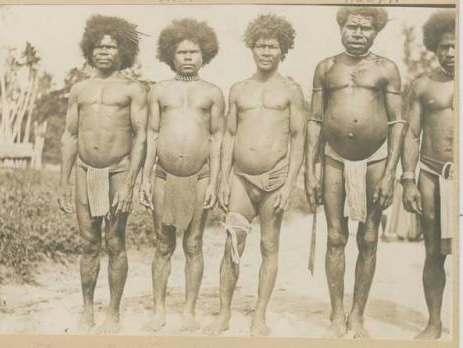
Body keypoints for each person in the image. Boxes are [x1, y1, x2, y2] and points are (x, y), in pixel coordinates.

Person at [305, 7, 404, 338]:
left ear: (376, 32)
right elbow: (315, 121)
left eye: (365, 28)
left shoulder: (386, 69)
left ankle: (358, 315)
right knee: (335, 237)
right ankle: (336, 313)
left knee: (370, 237)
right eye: (352, 27)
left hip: (376, 158)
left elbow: (397, 123)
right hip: (334, 157)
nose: (358, 33)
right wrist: (310, 170)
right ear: (341, 28)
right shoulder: (326, 68)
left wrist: (391, 173)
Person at [204, 14, 306, 336]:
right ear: (252, 48)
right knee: (232, 243)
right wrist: (221, 180)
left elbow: (298, 138)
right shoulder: (239, 90)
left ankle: (259, 315)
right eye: (260, 46)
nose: (266, 52)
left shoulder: (291, 91)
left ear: (283, 49)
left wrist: (290, 183)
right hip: (241, 178)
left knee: (269, 245)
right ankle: (223, 314)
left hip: (275, 177)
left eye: (272, 46)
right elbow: (229, 136)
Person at [58, 15, 148, 333]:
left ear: (122, 50)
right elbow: (69, 136)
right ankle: (87, 310)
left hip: (118, 171)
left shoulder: (133, 90)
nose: (104, 51)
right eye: (98, 46)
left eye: (111, 46)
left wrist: (131, 184)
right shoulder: (79, 89)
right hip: (85, 171)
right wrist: (63, 181)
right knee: (88, 243)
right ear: (89, 49)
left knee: (115, 242)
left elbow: (141, 137)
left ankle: (113, 311)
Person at [139, 18, 225, 332]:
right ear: (170, 56)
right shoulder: (159, 91)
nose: (188, 57)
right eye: (181, 52)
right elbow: (151, 133)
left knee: (194, 243)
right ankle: (159, 309)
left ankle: (189, 311)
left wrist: (216, 181)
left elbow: (217, 138)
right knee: (163, 244)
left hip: (200, 176)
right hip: (164, 174)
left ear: (205, 55)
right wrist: (144, 178)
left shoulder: (213, 93)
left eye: (194, 52)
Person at [401, 9, 455, 340]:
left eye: (457, 45)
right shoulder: (422, 86)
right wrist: (408, 179)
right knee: (433, 253)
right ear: (434, 46)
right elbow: (411, 134)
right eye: (444, 46)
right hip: (433, 174)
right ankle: (434, 323)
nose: (451, 52)